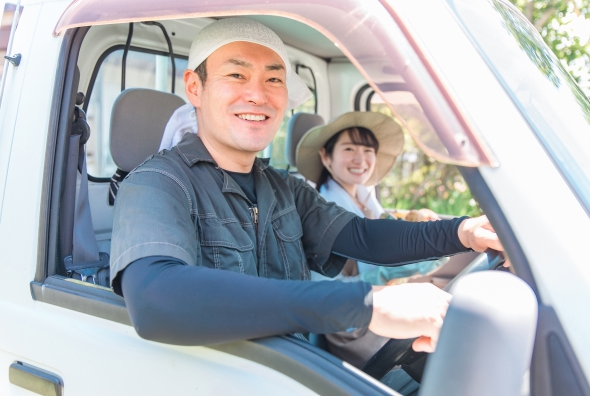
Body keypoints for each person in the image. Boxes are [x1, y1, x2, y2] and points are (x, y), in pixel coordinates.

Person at [110, 18, 504, 361]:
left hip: (292, 369)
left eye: (274, 79)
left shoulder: (282, 187)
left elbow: (363, 237)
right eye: (236, 74)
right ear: (195, 88)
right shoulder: (157, 183)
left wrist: (462, 232)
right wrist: (364, 305)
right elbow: (155, 297)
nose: (258, 94)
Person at [295, 112, 449, 367]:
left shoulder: (365, 198)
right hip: (354, 324)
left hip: (377, 307)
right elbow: (378, 262)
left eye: (368, 150)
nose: (360, 159)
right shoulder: (325, 209)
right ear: (326, 156)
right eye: (349, 149)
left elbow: (386, 230)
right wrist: (443, 242)